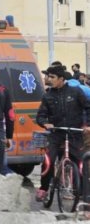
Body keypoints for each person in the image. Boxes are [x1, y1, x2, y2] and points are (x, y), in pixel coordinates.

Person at [35, 65, 90, 201]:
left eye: (52, 77)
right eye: (48, 76)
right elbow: (40, 116)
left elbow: (88, 108)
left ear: (61, 78)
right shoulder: (47, 96)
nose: (49, 79)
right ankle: (44, 188)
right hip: (56, 134)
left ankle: (85, 194)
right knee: (48, 161)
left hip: (75, 134)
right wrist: (45, 123)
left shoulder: (76, 92)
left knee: (82, 163)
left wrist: (87, 125)